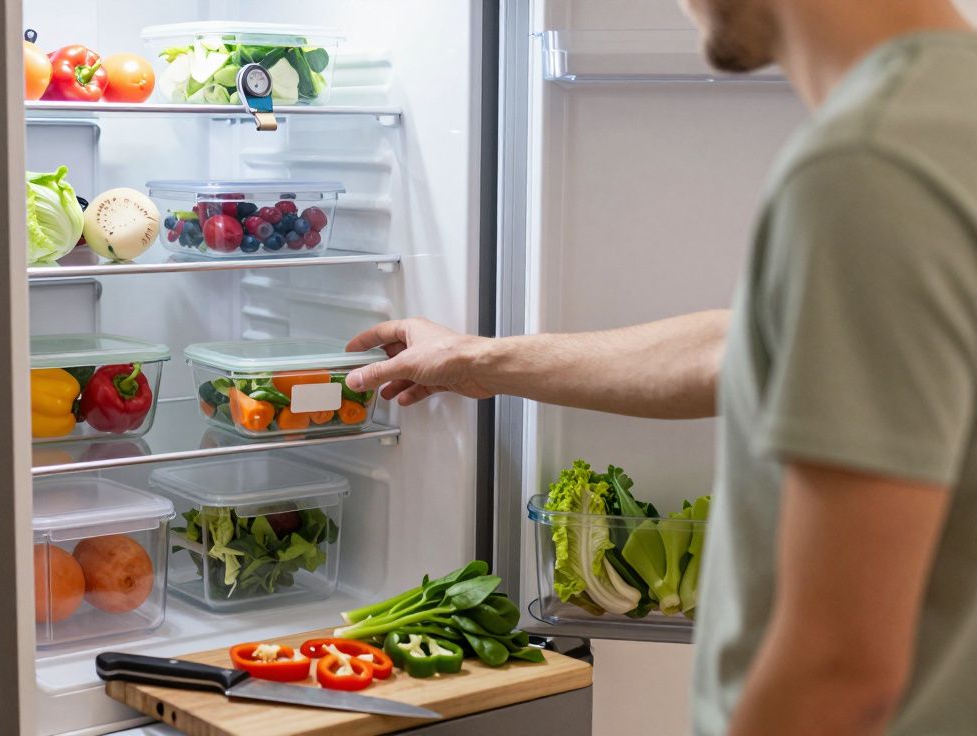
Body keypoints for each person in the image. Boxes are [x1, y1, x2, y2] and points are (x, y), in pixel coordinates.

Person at [345, 1, 977, 734]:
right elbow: (746, 350)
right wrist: (477, 359)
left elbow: (840, 667)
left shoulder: (865, 167)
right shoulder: (944, 117)